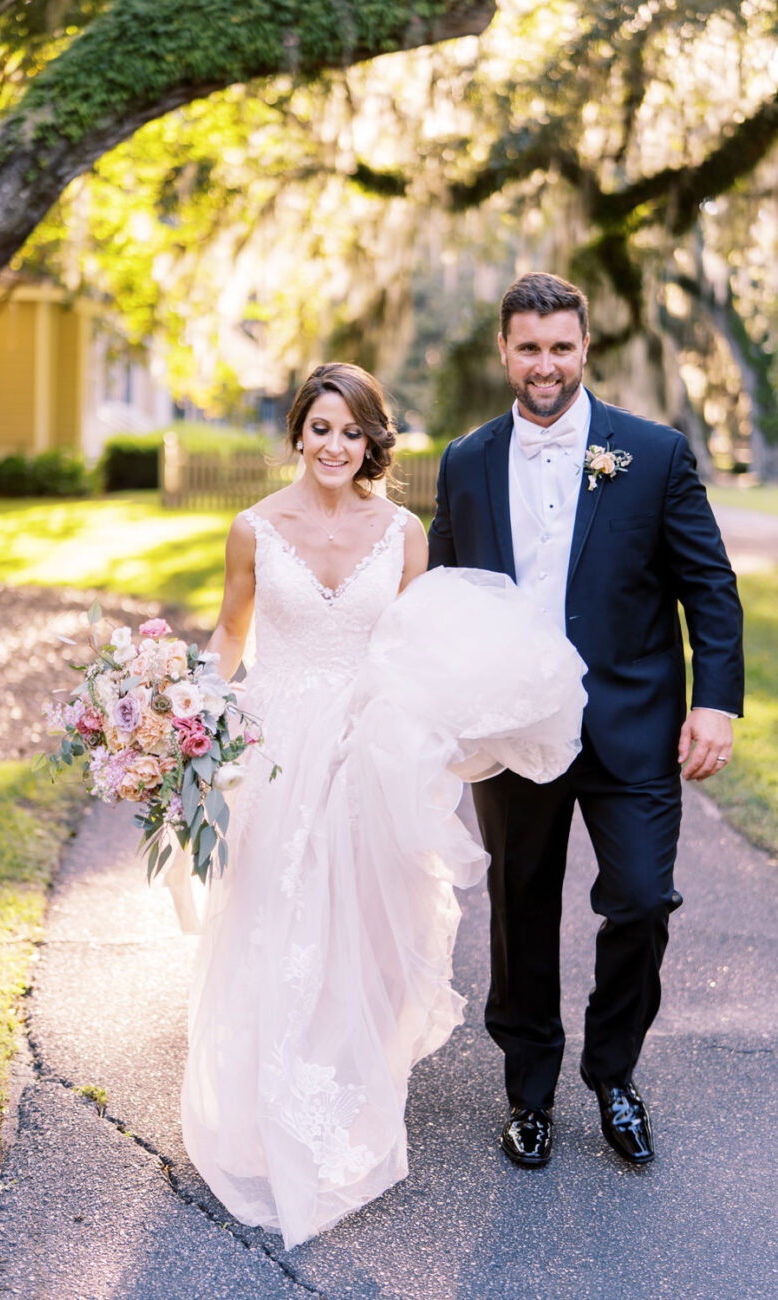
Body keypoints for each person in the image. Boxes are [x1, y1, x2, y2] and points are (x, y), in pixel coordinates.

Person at [180, 362, 587, 1248]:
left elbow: (413, 645)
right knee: (275, 912)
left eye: (351, 432)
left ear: (372, 442)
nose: (334, 446)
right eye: (320, 428)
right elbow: (231, 631)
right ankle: (269, 1089)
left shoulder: (404, 532)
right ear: (297, 433)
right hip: (278, 746)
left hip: (368, 746)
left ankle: (346, 1073)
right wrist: (192, 719)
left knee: (367, 917)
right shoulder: (252, 530)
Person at [428, 271, 745, 1169]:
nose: (544, 364)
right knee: (518, 909)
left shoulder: (652, 452)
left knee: (641, 899)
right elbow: (447, 596)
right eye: (527, 347)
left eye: (560, 347)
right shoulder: (465, 460)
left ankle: (614, 1075)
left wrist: (714, 700)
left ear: (584, 349)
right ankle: (527, 1092)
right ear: (504, 351)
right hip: (510, 730)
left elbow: (707, 588)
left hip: (631, 724)